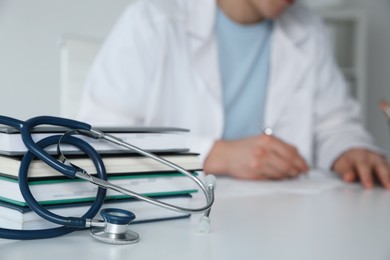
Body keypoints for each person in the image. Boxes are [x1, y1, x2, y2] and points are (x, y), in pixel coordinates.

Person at [78, 0, 390, 189]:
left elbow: (335, 124)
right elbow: (98, 140)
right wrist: (213, 154)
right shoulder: (152, 20)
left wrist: (350, 150)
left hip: (283, 220)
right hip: (176, 222)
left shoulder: (308, 29)